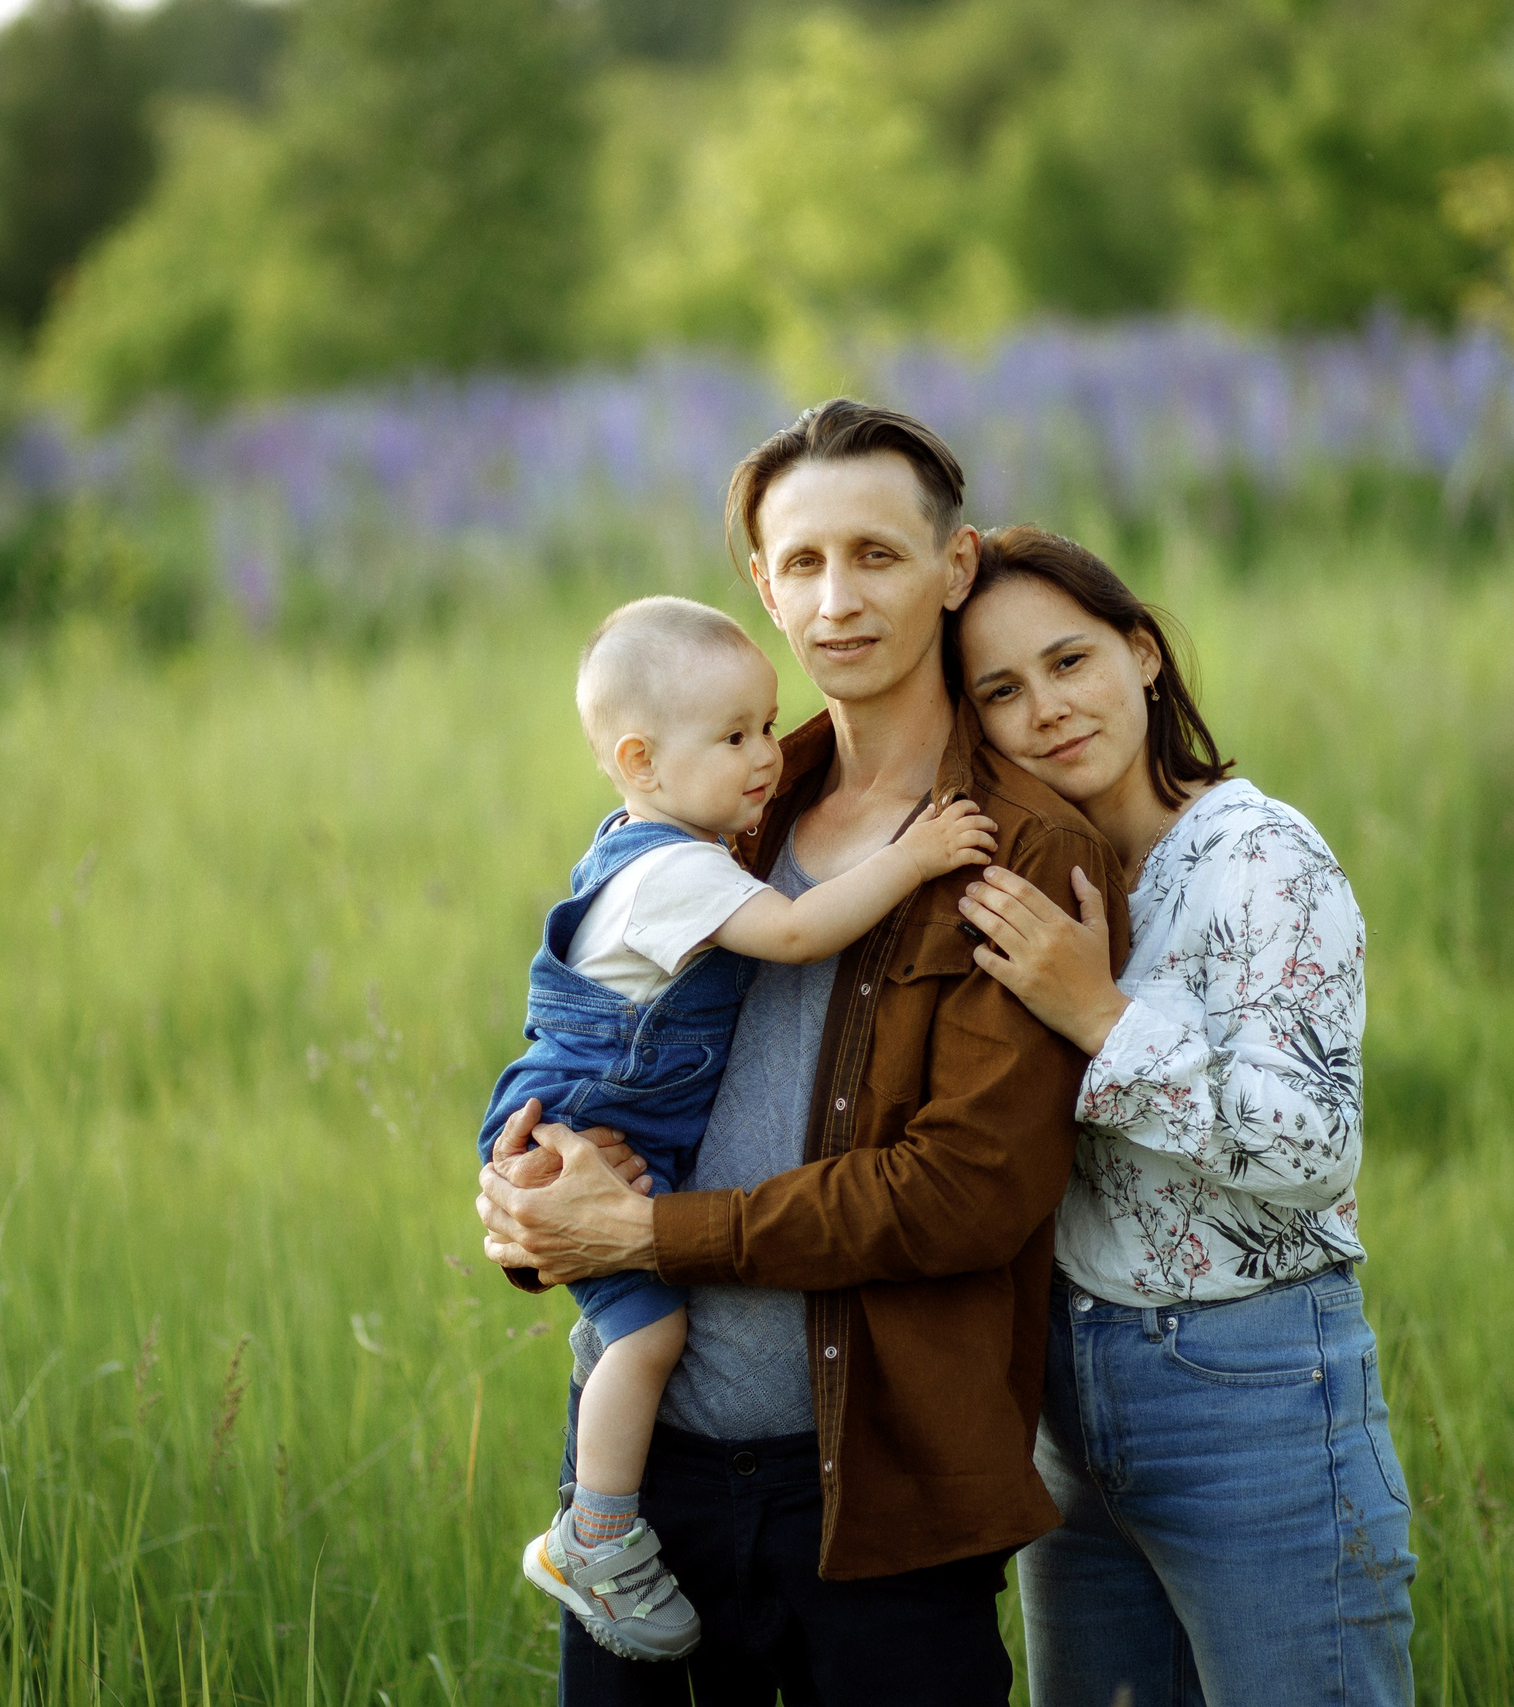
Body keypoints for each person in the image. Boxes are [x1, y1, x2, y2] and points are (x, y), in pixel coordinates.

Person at [476, 402, 1128, 1706]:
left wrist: (650, 1236)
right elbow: (591, 1032)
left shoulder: (1018, 847)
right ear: (765, 585)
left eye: (878, 555)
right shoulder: (709, 805)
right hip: (645, 1487)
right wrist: (531, 1186)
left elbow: (964, 1193)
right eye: (805, 562)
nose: (839, 597)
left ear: (955, 569)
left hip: (880, 1499)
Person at [476, 594, 998, 1661]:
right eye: (733, 737)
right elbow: (802, 930)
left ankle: (600, 1521)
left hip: (613, 1128)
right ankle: (597, 1534)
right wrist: (915, 855)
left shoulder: (659, 841)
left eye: (767, 723)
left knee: (639, 1327)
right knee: (648, 1332)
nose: (766, 754)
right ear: (639, 759)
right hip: (593, 1122)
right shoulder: (675, 874)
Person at [948, 525, 1416, 1706]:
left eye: (1070, 661)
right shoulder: (1030, 878)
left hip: (1248, 1390)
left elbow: (1313, 1144)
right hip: (1067, 1401)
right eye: (999, 690)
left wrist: (1098, 1015)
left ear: (1142, 654)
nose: (1046, 708)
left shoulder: (1259, 855)